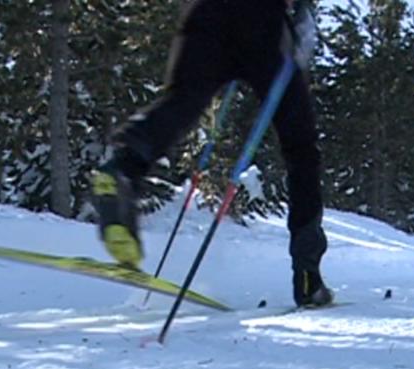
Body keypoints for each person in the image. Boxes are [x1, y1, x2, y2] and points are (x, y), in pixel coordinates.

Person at [90, 0, 332, 307]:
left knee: (182, 102)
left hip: (205, 13)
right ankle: (308, 275)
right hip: (263, 19)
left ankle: (124, 168)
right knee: (301, 147)